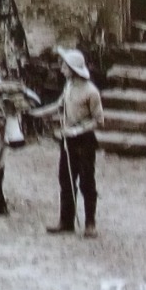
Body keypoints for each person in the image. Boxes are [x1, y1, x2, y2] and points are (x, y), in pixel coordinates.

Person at [35, 46, 105, 238]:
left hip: (85, 142)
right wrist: (36, 113)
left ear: (73, 69)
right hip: (68, 142)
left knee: (87, 181)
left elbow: (99, 121)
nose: (61, 68)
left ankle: (90, 224)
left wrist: (75, 130)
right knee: (66, 180)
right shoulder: (69, 86)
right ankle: (66, 221)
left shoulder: (91, 92)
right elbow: (59, 106)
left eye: (64, 65)